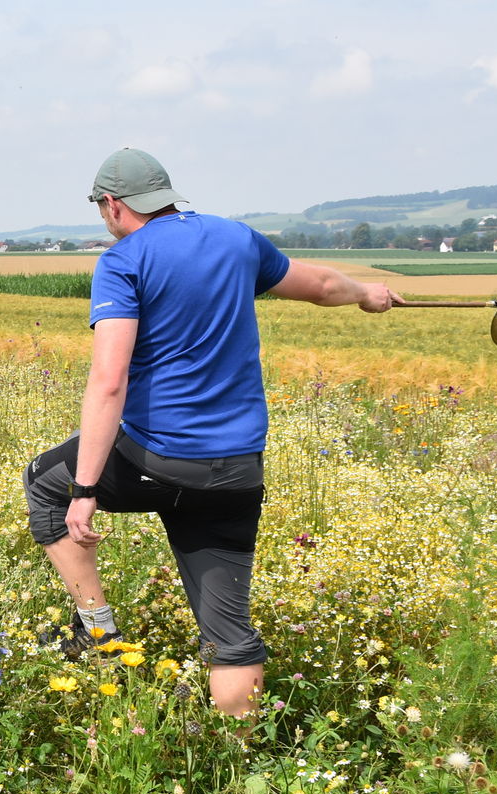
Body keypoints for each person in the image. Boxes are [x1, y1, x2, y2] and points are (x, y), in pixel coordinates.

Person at [24, 148, 400, 717]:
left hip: (157, 457)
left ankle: (97, 635)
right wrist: (367, 294)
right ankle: (239, 766)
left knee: (45, 484)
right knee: (230, 635)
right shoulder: (237, 239)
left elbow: (108, 381)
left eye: (102, 208)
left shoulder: (124, 261)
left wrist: (85, 489)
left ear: (113, 204)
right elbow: (322, 285)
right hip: (236, 468)